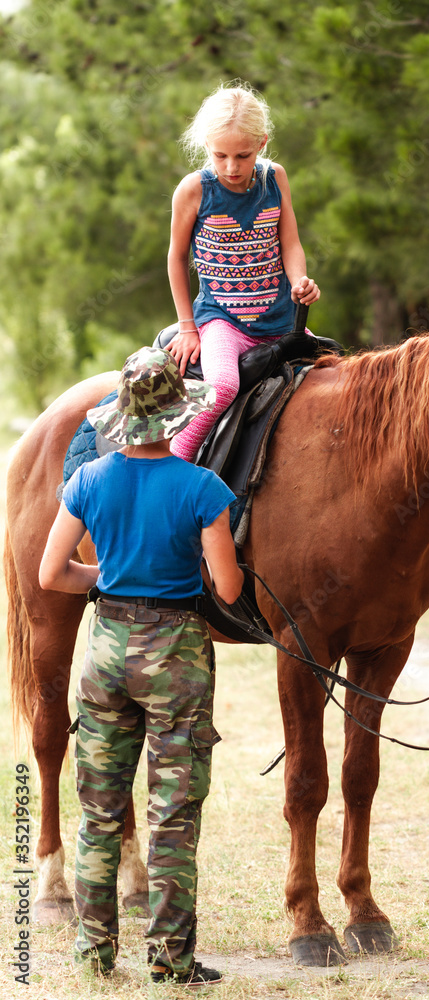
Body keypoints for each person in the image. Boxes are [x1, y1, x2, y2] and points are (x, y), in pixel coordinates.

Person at [39, 346, 244, 986]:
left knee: (100, 813)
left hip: (104, 653)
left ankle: (95, 956)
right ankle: (170, 961)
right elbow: (230, 592)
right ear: (176, 417)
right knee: (173, 815)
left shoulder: (88, 480)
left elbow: (52, 574)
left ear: (122, 415)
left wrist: (112, 575)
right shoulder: (204, 489)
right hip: (177, 656)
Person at [166, 79, 320, 463]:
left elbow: (290, 243)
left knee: (334, 371)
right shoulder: (193, 190)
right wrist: (188, 327)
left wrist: (299, 280)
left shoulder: (275, 178)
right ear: (206, 148)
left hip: (280, 317)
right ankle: (175, 465)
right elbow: (175, 258)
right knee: (221, 387)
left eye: (243, 155)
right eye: (220, 156)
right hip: (224, 320)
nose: (231, 167)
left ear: (262, 143)